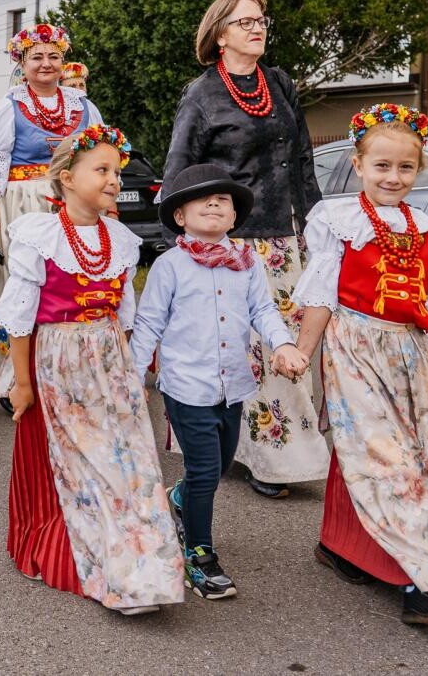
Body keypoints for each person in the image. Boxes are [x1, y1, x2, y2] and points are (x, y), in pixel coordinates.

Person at [292, 104, 428, 626]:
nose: (393, 177)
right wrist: (302, 353)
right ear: (358, 164)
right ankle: (421, 577)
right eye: (381, 166)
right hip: (355, 346)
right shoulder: (337, 219)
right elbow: (322, 295)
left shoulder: (425, 228)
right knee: (384, 456)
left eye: (405, 167)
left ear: (417, 170)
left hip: (412, 355)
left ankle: (342, 544)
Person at [0, 127, 184, 614]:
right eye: (102, 170)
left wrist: (131, 374)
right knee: (89, 461)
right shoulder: (39, 234)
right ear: (66, 178)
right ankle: (109, 565)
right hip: (60, 359)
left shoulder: (119, 239)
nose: (115, 180)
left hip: (109, 361)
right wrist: (22, 384)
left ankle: (145, 560)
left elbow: (124, 315)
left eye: (117, 172)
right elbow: (19, 318)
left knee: (130, 459)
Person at [162, 0, 328, 500]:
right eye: (245, 22)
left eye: (261, 20)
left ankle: (283, 450)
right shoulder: (202, 94)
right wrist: (182, 246)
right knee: (243, 350)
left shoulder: (277, 83)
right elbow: (178, 170)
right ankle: (260, 456)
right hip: (230, 241)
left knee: (287, 342)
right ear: (219, 35)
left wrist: (316, 224)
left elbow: (301, 158)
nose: (258, 28)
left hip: (285, 236)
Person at [131, 163, 308, 600]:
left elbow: (264, 311)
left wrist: (283, 344)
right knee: (206, 471)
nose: (214, 202)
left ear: (234, 217)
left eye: (224, 199)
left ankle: (180, 501)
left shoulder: (247, 264)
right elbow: (149, 323)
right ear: (179, 216)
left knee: (222, 463)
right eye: (202, 197)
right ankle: (199, 553)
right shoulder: (169, 266)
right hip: (187, 387)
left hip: (234, 385)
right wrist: (132, 378)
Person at [0, 24, 103, 396]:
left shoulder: (84, 107)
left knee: (72, 288)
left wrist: (107, 213)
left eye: (53, 56)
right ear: (22, 63)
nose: (46, 64)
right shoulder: (8, 107)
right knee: (25, 290)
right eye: (36, 57)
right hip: (24, 206)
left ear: (64, 61)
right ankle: (16, 379)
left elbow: (101, 161)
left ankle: (64, 372)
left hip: (73, 206)